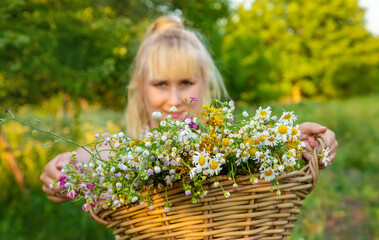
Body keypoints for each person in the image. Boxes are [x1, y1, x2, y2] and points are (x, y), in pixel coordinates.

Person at [40, 16, 338, 203]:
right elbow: (101, 156)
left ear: (204, 85)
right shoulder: (131, 153)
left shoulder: (224, 145)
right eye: (160, 84)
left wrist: (296, 142)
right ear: (140, 89)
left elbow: (258, 148)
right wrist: (68, 166)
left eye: (185, 82)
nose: (173, 99)